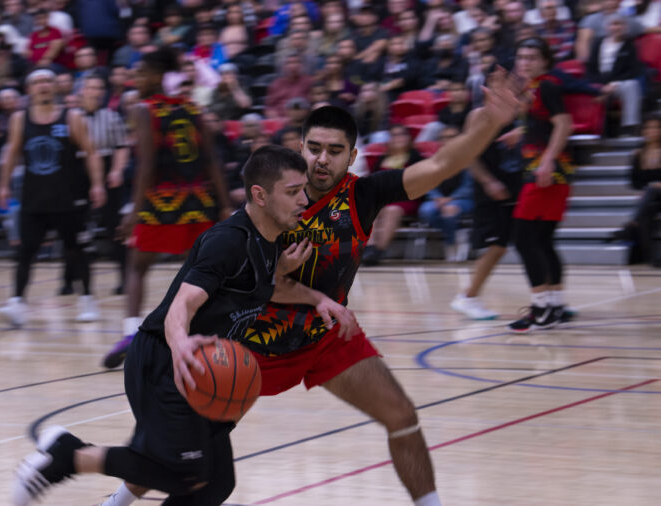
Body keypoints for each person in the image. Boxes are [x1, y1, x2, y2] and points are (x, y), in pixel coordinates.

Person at [98, 68, 524, 506]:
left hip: (324, 335)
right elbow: (245, 269)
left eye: (335, 151)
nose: (322, 159)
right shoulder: (276, 195)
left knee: (401, 414)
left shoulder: (363, 195)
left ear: (353, 154)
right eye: (314, 148)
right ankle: (115, 502)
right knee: (185, 453)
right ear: (300, 147)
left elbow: (439, 164)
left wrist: (491, 122)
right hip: (251, 343)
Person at [12, 145, 357, 506]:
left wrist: (319, 299)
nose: (304, 199)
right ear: (260, 195)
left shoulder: (269, 239)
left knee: (216, 483)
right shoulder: (228, 242)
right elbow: (183, 303)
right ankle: (66, 455)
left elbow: (266, 285)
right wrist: (180, 346)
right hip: (167, 360)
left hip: (203, 367)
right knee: (184, 473)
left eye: (303, 189)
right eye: (292, 192)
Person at [101, 48, 233, 369]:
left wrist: (133, 211)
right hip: (199, 201)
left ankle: (133, 332)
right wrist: (225, 204)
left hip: (162, 201)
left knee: (136, 266)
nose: (136, 80)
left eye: (142, 74)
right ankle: (210, 332)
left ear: (157, 75)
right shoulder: (193, 108)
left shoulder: (144, 110)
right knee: (201, 273)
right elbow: (211, 160)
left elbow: (146, 164)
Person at [0, 68, 106, 327]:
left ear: (56, 87)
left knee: (76, 250)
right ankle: (17, 303)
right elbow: (11, 153)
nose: (43, 85)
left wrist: (97, 184)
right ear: (30, 89)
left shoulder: (72, 117)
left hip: (69, 197)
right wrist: (3, 185)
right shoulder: (20, 119)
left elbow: (91, 152)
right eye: (37, 82)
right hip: (34, 199)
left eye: (47, 81)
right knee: (25, 252)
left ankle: (87, 299)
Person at [508, 37, 574, 333]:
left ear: (545, 60)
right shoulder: (532, 89)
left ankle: (541, 309)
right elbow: (544, 124)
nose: (525, 62)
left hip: (547, 173)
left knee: (524, 239)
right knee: (544, 240)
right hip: (552, 171)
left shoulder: (546, 85)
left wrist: (547, 160)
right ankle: (556, 305)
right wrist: (519, 132)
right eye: (521, 57)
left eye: (532, 57)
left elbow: (564, 123)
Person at [60, 73, 130, 296]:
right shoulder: (70, 118)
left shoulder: (112, 117)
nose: (96, 92)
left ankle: (125, 279)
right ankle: (69, 281)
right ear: (82, 91)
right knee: (72, 227)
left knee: (115, 228)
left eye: (100, 87)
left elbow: (121, 147)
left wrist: (117, 170)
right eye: (91, 87)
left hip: (107, 167)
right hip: (77, 170)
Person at [451, 116, 524, 320]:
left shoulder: (520, 112)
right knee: (497, 246)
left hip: (516, 187)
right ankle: (468, 297)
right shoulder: (480, 115)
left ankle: (550, 296)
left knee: (529, 241)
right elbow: (469, 154)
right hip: (491, 191)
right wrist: (487, 181)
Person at [362, 123, 424, 265]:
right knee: (371, 208)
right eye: (394, 135)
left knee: (392, 210)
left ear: (409, 138)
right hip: (383, 198)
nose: (398, 138)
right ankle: (369, 248)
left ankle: (378, 251)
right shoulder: (382, 159)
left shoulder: (416, 157)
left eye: (402, 134)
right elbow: (372, 181)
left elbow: (420, 182)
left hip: (406, 197)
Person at [417, 126, 475, 261]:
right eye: (444, 137)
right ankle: (458, 233)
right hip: (438, 199)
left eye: (451, 137)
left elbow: (469, 186)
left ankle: (450, 244)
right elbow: (428, 182)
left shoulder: (468, 159)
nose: (447, 140)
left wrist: (451, 198)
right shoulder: (433, 159)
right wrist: (437, 197)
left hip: (462, 199)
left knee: (450, 211)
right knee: (426, 211)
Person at [611, 114, 661, 264]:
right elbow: (634, 183)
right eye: (649, 127)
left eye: (656, 127)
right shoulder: (638, 154)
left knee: (651, 193)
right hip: (651, 200)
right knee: (646, 212)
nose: (652, 130)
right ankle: (651, 258)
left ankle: (631, 225)